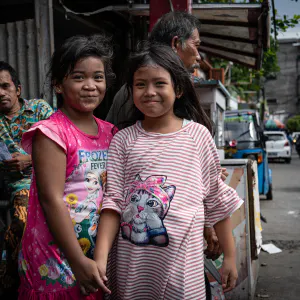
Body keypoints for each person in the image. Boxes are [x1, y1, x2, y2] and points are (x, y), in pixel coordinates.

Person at [95, 43, 243, 299]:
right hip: (133, 265)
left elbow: (216, 199)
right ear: (131, 90)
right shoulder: (123, 139)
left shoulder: (198, 136)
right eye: (140, 84)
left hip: (184, 266)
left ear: (178, 88)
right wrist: (100, 258)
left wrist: (230, 256)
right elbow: (113, 203)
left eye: (159, 83)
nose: (149, 92)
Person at [18, 34, 116, 299]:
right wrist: (77, 260)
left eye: (98, 77)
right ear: (58, 84)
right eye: (78, 77)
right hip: (54, 258)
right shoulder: (51, 133)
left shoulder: (110, 132)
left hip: (94, 255)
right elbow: (52, 200)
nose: (90, 86)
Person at [0, 61, 53, 298]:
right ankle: (14, 280)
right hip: (16, 185)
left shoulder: (40, 110)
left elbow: (61, 143)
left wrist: (29, 159)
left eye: (5, 86)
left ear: (17, 89)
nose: (0, 93)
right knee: (21, 220)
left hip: (48, 175)